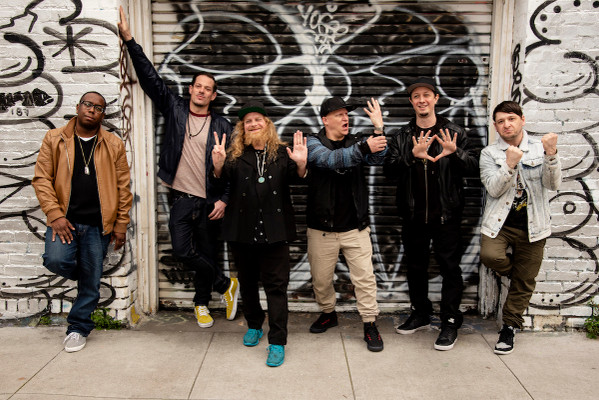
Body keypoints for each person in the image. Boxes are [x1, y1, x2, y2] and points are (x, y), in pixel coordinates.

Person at [118, 7, 239, 327]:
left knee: (207, 253)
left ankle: (201, 304)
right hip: (182, 198)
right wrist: (130, 41)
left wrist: (225, 199)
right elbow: (150, 79)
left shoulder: (223, 126)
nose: (201, 90)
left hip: (210, 201)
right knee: (184, 251)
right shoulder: (175, 110)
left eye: (207, 88)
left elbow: (232, 169)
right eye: (198, 85)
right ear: (190, 89)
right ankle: (226, 285)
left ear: (213, 95)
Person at [32, 91, 133, 352]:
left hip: (98, 225)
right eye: (88, 104)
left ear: (102, 115)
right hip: (64, 222)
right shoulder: (55, 139)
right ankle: (89, 275)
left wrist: (121, 224)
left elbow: (123, 187)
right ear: (78, 107)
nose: (92, 110)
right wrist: (55, 215)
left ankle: (77, 328)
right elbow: (42, 179)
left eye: (98, 108)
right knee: (55, 260)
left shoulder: (113, 144)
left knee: (90, 282)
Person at [384, 77, 479, 351]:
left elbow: (475, 167)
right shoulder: (402, 136)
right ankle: (421, 313)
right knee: (416, 268)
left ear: (436, 98)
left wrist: (455, 153)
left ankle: (450, 321)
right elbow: (388, 171)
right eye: (416, 96)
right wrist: (412, 156)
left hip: (447, 216)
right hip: (414, 216)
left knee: (450, 269)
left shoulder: (454, 132)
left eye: (427, 95)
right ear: (411, 102)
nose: (421, 100)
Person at [211, 101, 307, 367]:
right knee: (248, 283)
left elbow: (298, 178)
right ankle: (254, 324)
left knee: (277, 287)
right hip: (242, 231)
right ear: (243, 128)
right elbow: (221, 181)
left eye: (257, 119)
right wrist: (217, 165)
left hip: (275, 232)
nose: (253, 124)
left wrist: (301, 164)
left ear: (267, 124)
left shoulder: (282, 153)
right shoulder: (234, 155)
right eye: (248, 121)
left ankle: (277, 341)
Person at [306, 96, 387, 352]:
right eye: (339, 114)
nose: (345, 118)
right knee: (321, 281)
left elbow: (379, 159)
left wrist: (378, 129)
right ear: (325, 120)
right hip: (321, 229)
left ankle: (369, 323)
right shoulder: (312, 143)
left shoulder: (357, 141)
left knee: (365, 279)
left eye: (347, 114)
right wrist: (365, 148)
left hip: (355, 227)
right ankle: (328, 313)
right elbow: (330, 160)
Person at [480, 101, 561, 355]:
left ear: (522, 120)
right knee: (491, 256)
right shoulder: (489, 153)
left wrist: (551, 154)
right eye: (501, 121)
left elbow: (553, 184)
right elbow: (493, 189)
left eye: (511, 119)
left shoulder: (539, 147)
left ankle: (509, 327)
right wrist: (509, 164)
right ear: (495, 126)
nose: (507, 125)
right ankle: (518, 274)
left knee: (525, 281)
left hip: (534, 225)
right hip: (500, 224)